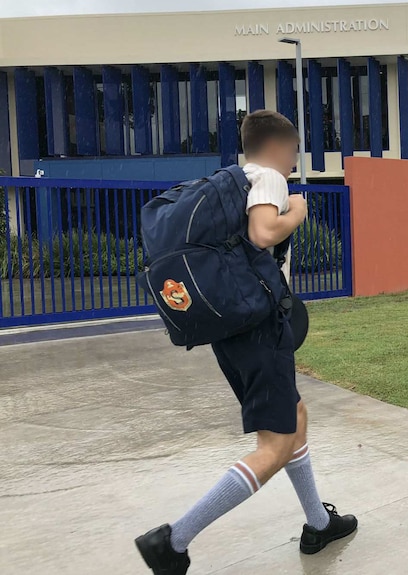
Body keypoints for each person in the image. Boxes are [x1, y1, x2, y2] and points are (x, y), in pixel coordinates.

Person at [135, 110, 357, 575]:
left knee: (294, 415)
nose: (294, 163)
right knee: (273, 446)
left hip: (230, 331)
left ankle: (318, 524)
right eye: (294, 154)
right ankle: (173, 541)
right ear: (281, 148)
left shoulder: (230, 180)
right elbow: (263, 232)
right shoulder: (269, 179)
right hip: (261, 329)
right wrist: (296, 210)